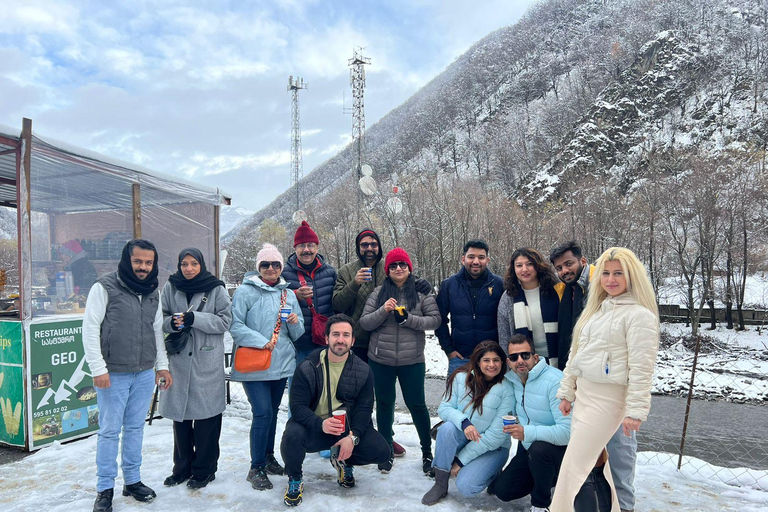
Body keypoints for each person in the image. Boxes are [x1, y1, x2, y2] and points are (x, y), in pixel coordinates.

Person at [550, 247, 660, 512]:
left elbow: (642, 369)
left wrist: (635, 411)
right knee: (598, 465)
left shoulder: (640, 316)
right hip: (585, 398)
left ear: (632, 276)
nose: (611, 279)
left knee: (574, 468)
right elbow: (576, 357)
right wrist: (567, 393)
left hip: (609, 401)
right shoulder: (595, 312)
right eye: (606, 273)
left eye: (618, 273)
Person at [81, 239, 173, 512]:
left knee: (134, 428)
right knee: (109, 431)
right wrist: (98, 369)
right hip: (113, 373)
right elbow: (89, 328)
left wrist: (162, 365)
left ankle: (132, 481)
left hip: (144, 372)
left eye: (148, 262)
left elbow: (157, 332)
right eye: (138, 261)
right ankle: (104, 488)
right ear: (127, 260)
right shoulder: (105, 286)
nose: (143, 267)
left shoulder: (154, 291)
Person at [333, 228, 428, 457]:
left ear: (379, 246)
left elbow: (406, 277)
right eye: (364, 244)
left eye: (373, 244)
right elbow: (337, 303)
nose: (369, 248)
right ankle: (355, 439)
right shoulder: (347, 271)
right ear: (358, 247)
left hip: (384, 344)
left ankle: (385, 438)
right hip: (357, 342)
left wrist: (420, 283)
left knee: (386, 399)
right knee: (357, 397)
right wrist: (354, 284)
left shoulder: (392, 265)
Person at [280, 314, 391, 507]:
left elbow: (364, 410)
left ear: (352, 340)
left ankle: (343, 461)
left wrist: (353, 437)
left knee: (382, 452)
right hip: (313, 427)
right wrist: (319, 423)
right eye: (336, 334)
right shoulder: (307, 367)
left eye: (346, 335)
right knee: (292, 436)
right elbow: (297, 407)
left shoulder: (363, 370)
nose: (341, 339)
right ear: (326, 338)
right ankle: (295, 478)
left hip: (344, 429)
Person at [359, 248, 442, 474]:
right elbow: (365, 323)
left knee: (417, 405)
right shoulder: (378, 293)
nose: (398, 269)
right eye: (394, 266)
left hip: (412, 360)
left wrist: (409, 320)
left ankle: (427, 451)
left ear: (409, 268)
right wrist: (383, 312)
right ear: (388, 270)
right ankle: (386, 450)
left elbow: (435, 320)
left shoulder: (422, 292)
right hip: (380, 359)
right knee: (384, 405)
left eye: (402, 265)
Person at [230, 243, 304, 491]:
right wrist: (262, 342)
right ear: (258, 267)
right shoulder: (245, 292)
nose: (271, 268)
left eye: (275, 264)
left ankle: (269, 458)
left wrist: (294, 321)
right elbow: (236, 326)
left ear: (281, 267)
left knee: (272, 413)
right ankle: (256, 467)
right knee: (262, 413)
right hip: (254, 366)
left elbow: (297, 332)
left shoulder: (289, 294)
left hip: (280, 364)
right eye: (265, 264)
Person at [158, 248, 232, 489]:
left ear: (201, 265)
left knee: (207, 421)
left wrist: (194, 319)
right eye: (184, 264)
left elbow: (225, 321)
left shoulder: (215, 288)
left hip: (205, 361)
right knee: (180, 420)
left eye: (193, 264)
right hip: (178, 361)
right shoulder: (171, 287)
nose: (188, 269)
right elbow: (162, 319)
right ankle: (181, 468)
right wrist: (173, 322)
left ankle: (204, 470)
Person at [421, 340, 514, 506]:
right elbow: (445, 408)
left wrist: (461, 461)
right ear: (477, 361)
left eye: (496, 360)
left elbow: (495, 437)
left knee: (467, 487)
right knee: (448, 428)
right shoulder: (460, 378)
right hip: (467, 436)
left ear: (502, 362)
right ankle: (440, 484)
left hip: (493, 447)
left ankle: (493, 471)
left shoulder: (507, 389)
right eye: (486, 360)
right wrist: (464, 422)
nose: (491, 365)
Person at [489, 334, 571, 512]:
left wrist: (527, 432)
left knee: (539, 449)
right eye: (513, 357)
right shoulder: (514, 381)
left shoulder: (555, 381)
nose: (520, 361)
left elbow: (568, 432)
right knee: (503, 491)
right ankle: (546, 478)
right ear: (508, 362)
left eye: (525, 355)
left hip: (561, 451)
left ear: (535, 357)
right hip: (529, 449)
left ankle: (541, 504)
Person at [436, 239, 504, 376]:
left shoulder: (499, 284)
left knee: (491, 397)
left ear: (487, 260)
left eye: (481, 257)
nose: (476, 261)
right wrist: (449, 350)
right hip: (460, 358)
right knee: (458, 397)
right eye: (471, 257)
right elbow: (439, 319)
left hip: (491, 360)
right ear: (463, 259)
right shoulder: (449, 285)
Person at [282, 221, 337, 367]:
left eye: (311, 245)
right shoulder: (284, 273)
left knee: (325, 385)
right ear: (295, 248)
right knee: (300, 385)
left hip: (324, 339)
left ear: (317, 248)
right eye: (302, 246)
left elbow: (338, 304)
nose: (307, 250)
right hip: (299, 342)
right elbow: (275, 301)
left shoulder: (330, 272)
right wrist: (295, 295)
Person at [497, 247, 560, 366]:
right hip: (525, 363)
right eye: (519, 265)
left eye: (529, 264)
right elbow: (504, 336)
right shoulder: (508, 297)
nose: (524, 269)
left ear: (538, 265)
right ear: (513, 269)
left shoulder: (555, 288)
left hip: (558, 359)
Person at [550, 241, 594, 371]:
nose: (565, 271)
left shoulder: (600, 286)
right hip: (572, 366)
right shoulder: (563, 291)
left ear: (583, 261)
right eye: (559, 268)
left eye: (569, 264)